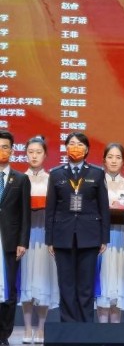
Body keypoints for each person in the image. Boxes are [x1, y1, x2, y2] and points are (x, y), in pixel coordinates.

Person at [45, 132, 110, 323]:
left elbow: (103, 208)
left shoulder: (97, 173)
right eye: (72, 143)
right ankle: (68, 326)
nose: (76, 147)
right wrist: (49, 239)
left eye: (80, 144)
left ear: (87, 149)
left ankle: (85, 326)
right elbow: (50, 209)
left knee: (86, 285)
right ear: (65, 148)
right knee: (66, 284)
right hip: (62, 236)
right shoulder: (56, 173)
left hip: (89, 236)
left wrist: (104, 238)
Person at [19, 136, 59, 343]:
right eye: (30, 152)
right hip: (24, 237)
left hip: (45, 236)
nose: (34, 156)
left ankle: (41, 329)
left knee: (44, 281)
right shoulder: (18, 179)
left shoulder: (52, 179)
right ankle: (27, 328)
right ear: (25, 154)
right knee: (25, 280)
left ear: (45, 155)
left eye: (38, 152)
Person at [97, 143, 124, 323]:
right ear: (104, 160)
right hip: (101, 238)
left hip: (123, 237)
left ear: (123, 161)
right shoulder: (96, 183)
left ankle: (115, 331)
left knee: (119, 285)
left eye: (118, 157)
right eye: (110, 157)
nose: (114, 161)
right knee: (103, 283)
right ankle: (102, 331)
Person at [0, 131, 31, 346]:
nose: (1, 151)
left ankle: (3, 335)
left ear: (12, 151)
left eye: (5, 147)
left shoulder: (21, 179)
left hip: (10, 243)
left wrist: (22, 242)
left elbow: (25, 215)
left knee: (9, 290)